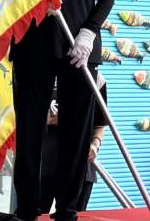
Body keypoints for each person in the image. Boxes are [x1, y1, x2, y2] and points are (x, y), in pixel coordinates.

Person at [11, 0, 117, 221]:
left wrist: (88, 33)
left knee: (77, 130)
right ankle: (27, 207)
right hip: (33, 46)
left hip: (79, 51)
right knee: (30, 129)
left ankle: (68, 209)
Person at [39, 76, 109, 215]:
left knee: (75, 214)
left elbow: (100, 123)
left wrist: (95, 145)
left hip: (80, 166)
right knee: (37, 214)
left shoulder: (95, 78)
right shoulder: (42, 72)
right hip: (44, 163)